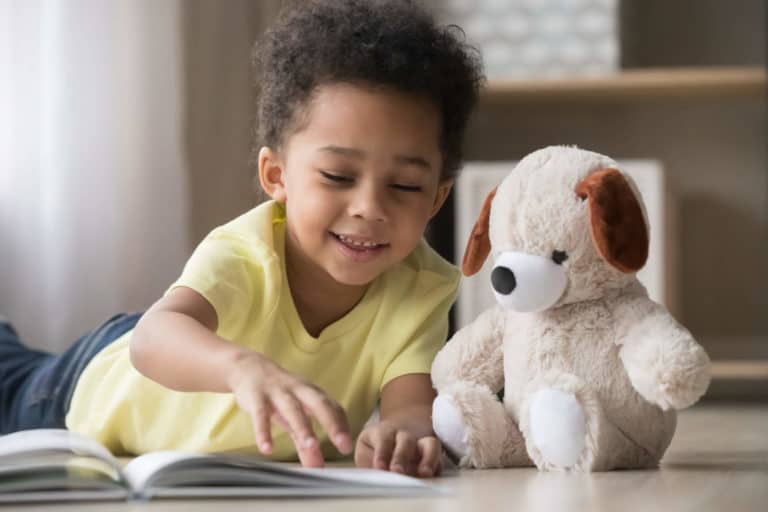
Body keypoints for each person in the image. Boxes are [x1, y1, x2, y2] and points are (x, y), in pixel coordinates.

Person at [0, 0, 483, 478]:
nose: (370, 207)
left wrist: (401, 431)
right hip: (81, 395)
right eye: (338, 175)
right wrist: (241, 368)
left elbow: (410, 404)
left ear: (437, 198)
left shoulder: (425, 285)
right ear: (276, 176)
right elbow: (151, 339)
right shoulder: (246, 251)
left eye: (404, 186)